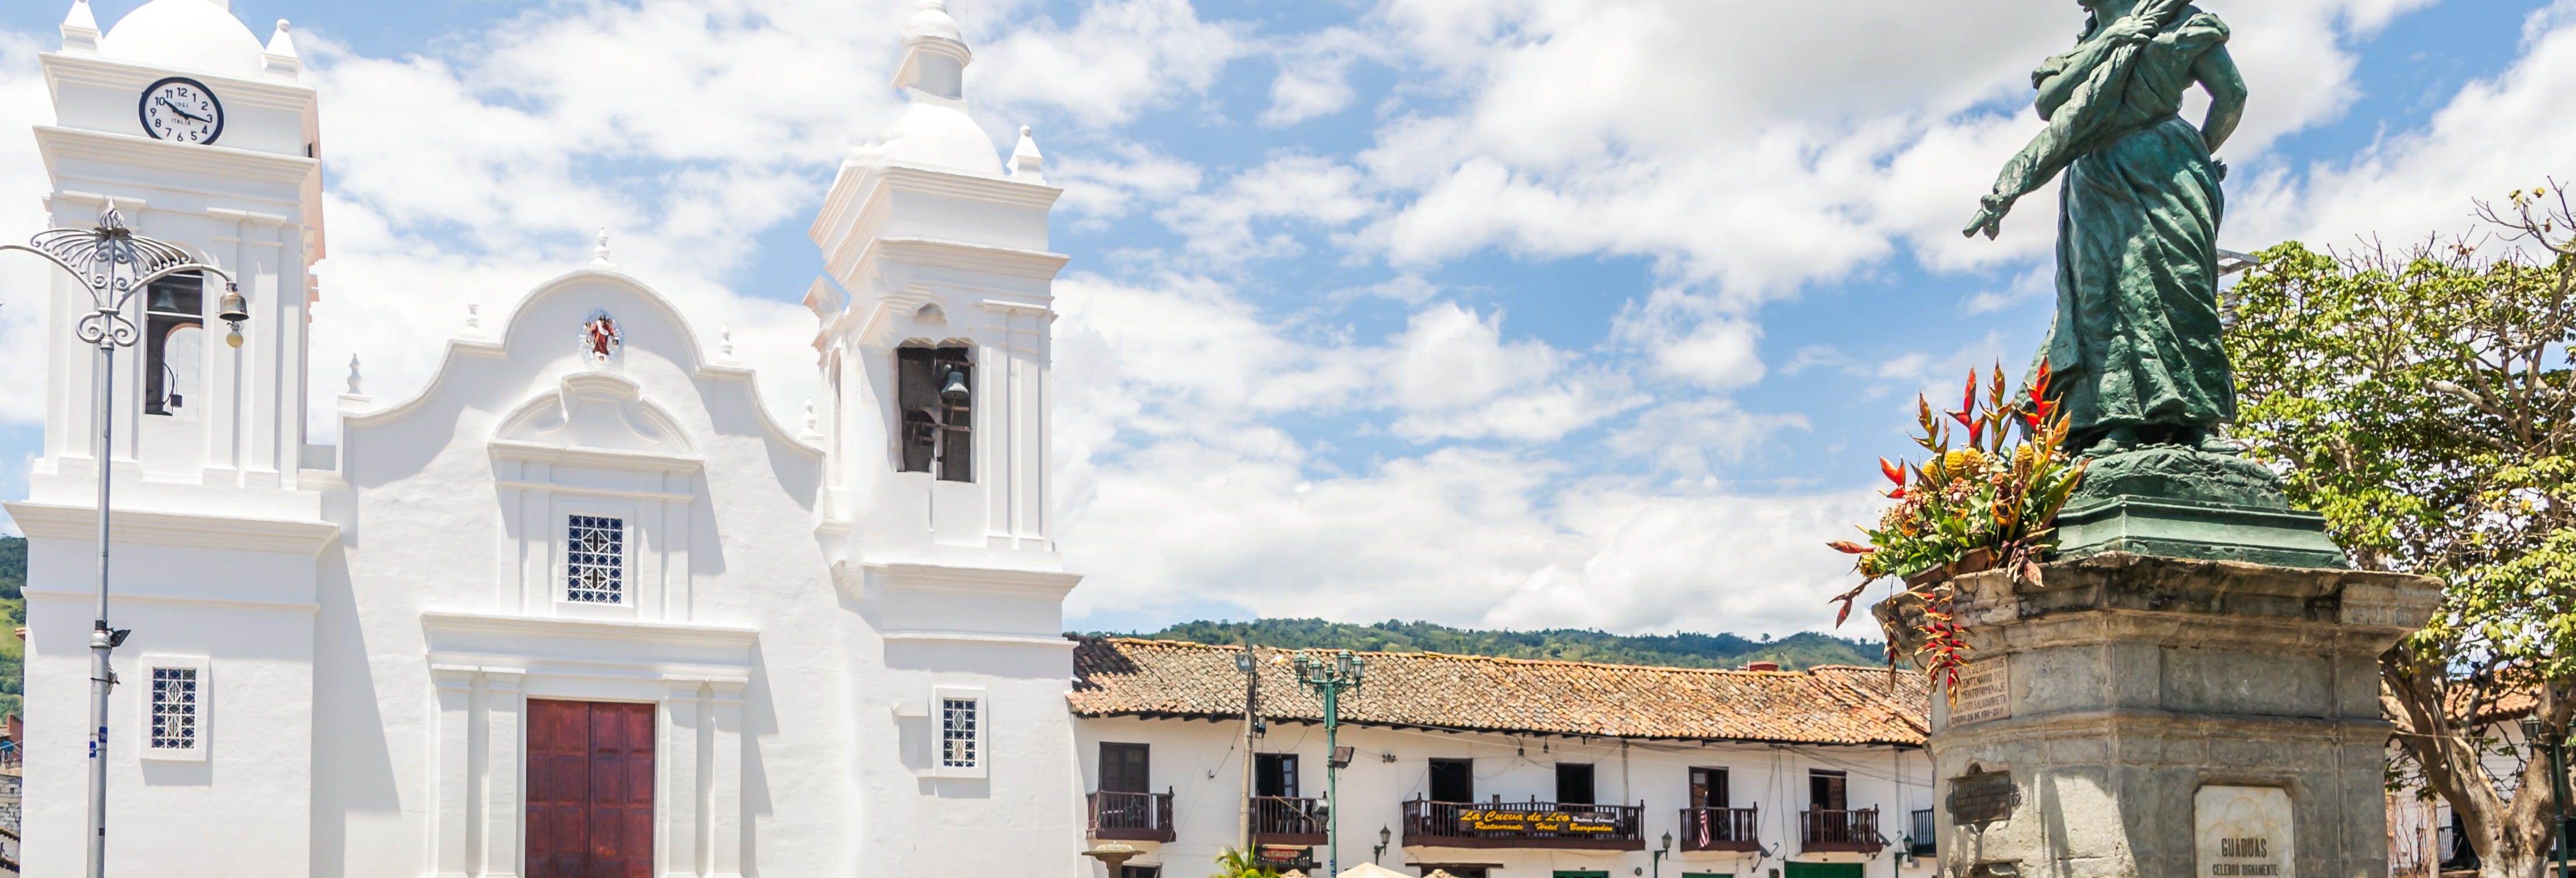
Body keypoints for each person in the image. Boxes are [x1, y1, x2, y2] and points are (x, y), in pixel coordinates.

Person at [1964, 0, 2248, 455]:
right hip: (2098, 183)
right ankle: (2116, 421)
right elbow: (2050, 106)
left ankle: (2198, 422)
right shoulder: (2082, 49)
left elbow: (2232, 95)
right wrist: (2116, 40)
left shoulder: (2183, 23)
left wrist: (2196, 153)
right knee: (2105, 299)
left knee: (2183, 293)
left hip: (2170, 173)